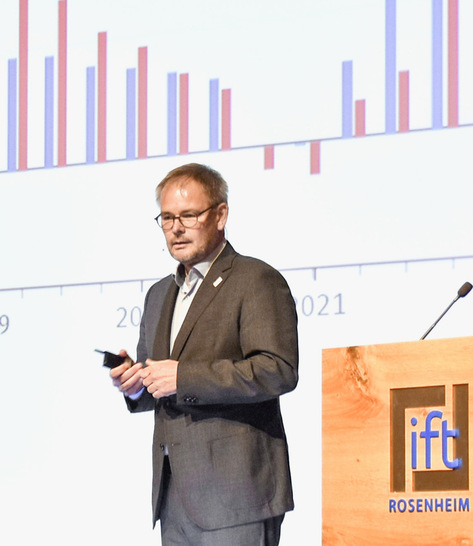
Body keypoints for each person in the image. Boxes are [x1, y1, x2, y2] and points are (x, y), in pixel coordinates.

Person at [110, 163, 298, 545]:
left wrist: (184, 377)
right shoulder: (159, 294)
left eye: (189, 215)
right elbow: (158, 382)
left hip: (236, 497)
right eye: (166, 218)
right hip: (174, 498)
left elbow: (277, 369)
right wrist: (135, 384)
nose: (176, 228)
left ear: (221, 215)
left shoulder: (256, 280)